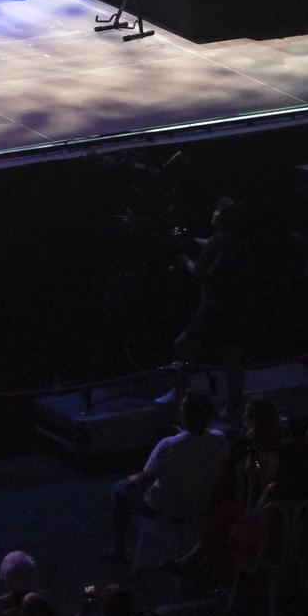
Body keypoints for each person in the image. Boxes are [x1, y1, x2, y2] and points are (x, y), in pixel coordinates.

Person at [104, 391, 230, 566]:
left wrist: (133, 478)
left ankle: (119, 551)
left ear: (184, 415)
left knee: (120, 489)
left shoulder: (169, 445)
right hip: (201, 505)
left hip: (165, 508)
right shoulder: (221, 440)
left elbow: (144, 479)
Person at [170, 197, 251, 417]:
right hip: (235, 307)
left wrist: (183, 260)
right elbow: (211, 245)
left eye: (217, 211)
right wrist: (190, 239)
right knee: (232, 356)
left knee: (182, 345)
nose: (213, 212)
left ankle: (180, 397)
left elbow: (198, 272)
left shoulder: (220, 239)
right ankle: (234, 406)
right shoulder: (236, 240)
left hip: (213, 308)